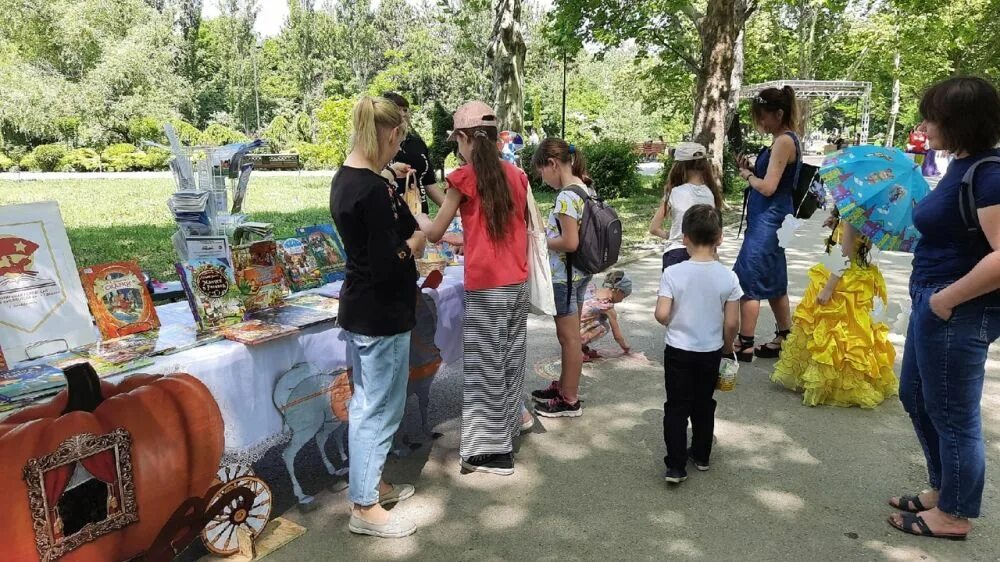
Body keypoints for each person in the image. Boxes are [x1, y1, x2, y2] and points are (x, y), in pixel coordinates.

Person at [888, 76, 1000, 541]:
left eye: (933, 117)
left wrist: (945, 301)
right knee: (915, 396)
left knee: (953, 413)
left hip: (958, 307)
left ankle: (955, 513)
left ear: (960, 122)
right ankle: (943, 489)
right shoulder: (963, 165)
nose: (925, 124)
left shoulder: (990, 173)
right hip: (935, 301)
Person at [416, 101, 529, 476]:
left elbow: (432, 231)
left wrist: (410, 208)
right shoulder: (516, 175)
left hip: (486, 286)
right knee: (509, 361)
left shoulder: (463, 179)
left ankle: (490, 452)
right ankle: (508, 429)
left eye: (456, 142)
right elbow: (500, 228)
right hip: (516, 283)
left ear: (464, 138)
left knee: (484, 367)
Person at [330, 96, 425, 538]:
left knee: (372, 402)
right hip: (381, 312)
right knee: (379, 408)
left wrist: (410, 233)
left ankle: (372, 482)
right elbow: (394, 256)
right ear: (390, 135)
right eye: (399, 140)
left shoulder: (350, 179)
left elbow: (401, 225)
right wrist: (416, 246)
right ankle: (364, 506)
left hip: (366, 308)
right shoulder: (371, 188)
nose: (398, 149)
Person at [771, 208, 898, 408]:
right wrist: (837, 222)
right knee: (853, 332)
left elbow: (844, 254)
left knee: (832, 333)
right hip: (858, 275)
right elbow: (861, 244)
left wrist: (829, 288)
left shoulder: (853, 215)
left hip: (842, 279)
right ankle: (843, 378)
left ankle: (831, 383)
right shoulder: (868, 212)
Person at [654, 205, 741, 484]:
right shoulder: (728, 277)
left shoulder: (673, 274)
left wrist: (672, 322)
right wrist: (727, 346)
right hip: (710, 350)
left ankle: (676, 466)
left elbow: (661, 314)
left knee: (676, 407)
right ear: (719, 238)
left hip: (678, 349)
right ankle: (702, 455)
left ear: (684, 238)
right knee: (704, 403)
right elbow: (731, 323)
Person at [733, 86, 800, 363]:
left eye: (763, 117)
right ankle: (786, 335)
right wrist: (753, 168)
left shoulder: (784, 141)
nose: (760, 122)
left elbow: (769, 187)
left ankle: (744, 343)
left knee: (746, 279)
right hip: (774, 219)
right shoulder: (783, 139)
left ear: (779, 113)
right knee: (773, 280)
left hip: (768, 220)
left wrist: (748, 175)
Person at [529, 138, 595, 418]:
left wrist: (540, 240)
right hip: (580, 273)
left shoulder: (567, 196)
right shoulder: (585, 188)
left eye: (541, 172)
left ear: (553, 164)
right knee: (571, 338)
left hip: (564, 277)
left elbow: (570, 242)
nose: (542, 179)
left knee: (568, 339)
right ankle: (566, 388)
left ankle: (569, 399)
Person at [648, 142, 723, 271]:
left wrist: (673, 235)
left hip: (677, 253)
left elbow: (654, 228)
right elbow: (717, 235)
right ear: (705, 165)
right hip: (706, 255)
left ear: (679, 166)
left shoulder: (673, 193)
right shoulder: (711, 194)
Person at [383, 92, 447, 211]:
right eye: (396, 110)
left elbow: (429, 183)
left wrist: (453, 210)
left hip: (419, 214)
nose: (403, 114)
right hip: (392, 215)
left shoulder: (417, 143)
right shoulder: (376, 145)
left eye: (405, 109)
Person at [580, 270, 633, 361]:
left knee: (596, 319)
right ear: (618, 291)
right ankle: (577, 349)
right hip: (575, 333)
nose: (621, 300)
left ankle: (578, 346)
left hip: (567, 328)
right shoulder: (607, 307)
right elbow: (617, 335)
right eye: (623, 296)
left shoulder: (591, 289)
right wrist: (625, 347)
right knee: (604, 326)